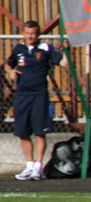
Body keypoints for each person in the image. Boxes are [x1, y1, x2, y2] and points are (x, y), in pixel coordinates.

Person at [5, 20, 69, 181]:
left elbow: (63, 63)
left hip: (39, 95)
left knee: (40, 131)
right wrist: (11, 72)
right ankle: (29, 165)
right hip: (22, 95)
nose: (30, 36)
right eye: (27, 33)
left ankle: (38, 167)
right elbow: (8, 64)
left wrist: (67, 50)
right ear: (23, 34)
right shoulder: (19, 49)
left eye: (33, 33)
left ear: (38, 34)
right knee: (22, 132)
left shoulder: (45, 48)